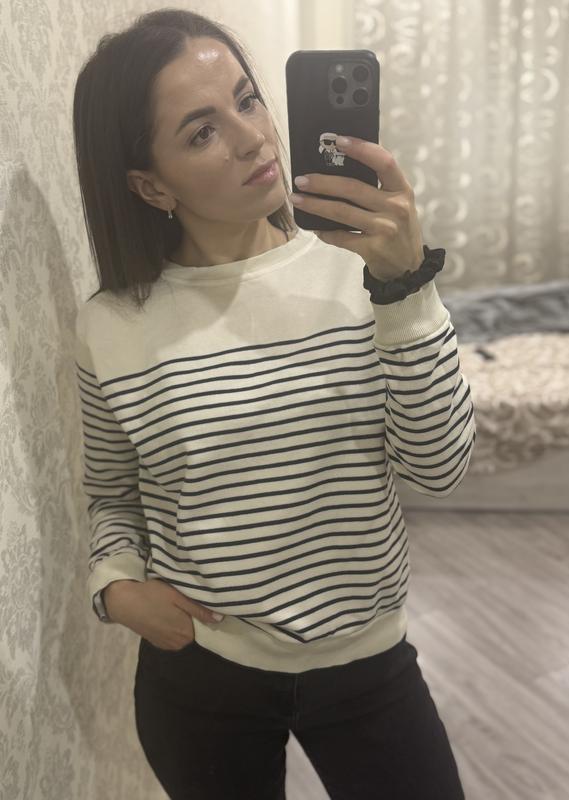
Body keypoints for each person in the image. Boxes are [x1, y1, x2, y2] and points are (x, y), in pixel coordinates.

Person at [72, 9, 475, 800]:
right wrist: (116, 587)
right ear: (150, 185)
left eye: (247, 99)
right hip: (204, 672)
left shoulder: (361, 268)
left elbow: (441, 468)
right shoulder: (113, 325)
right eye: (202, 132)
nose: (254, 137)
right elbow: (113, 491)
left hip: (368, 663)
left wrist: (405, 290)